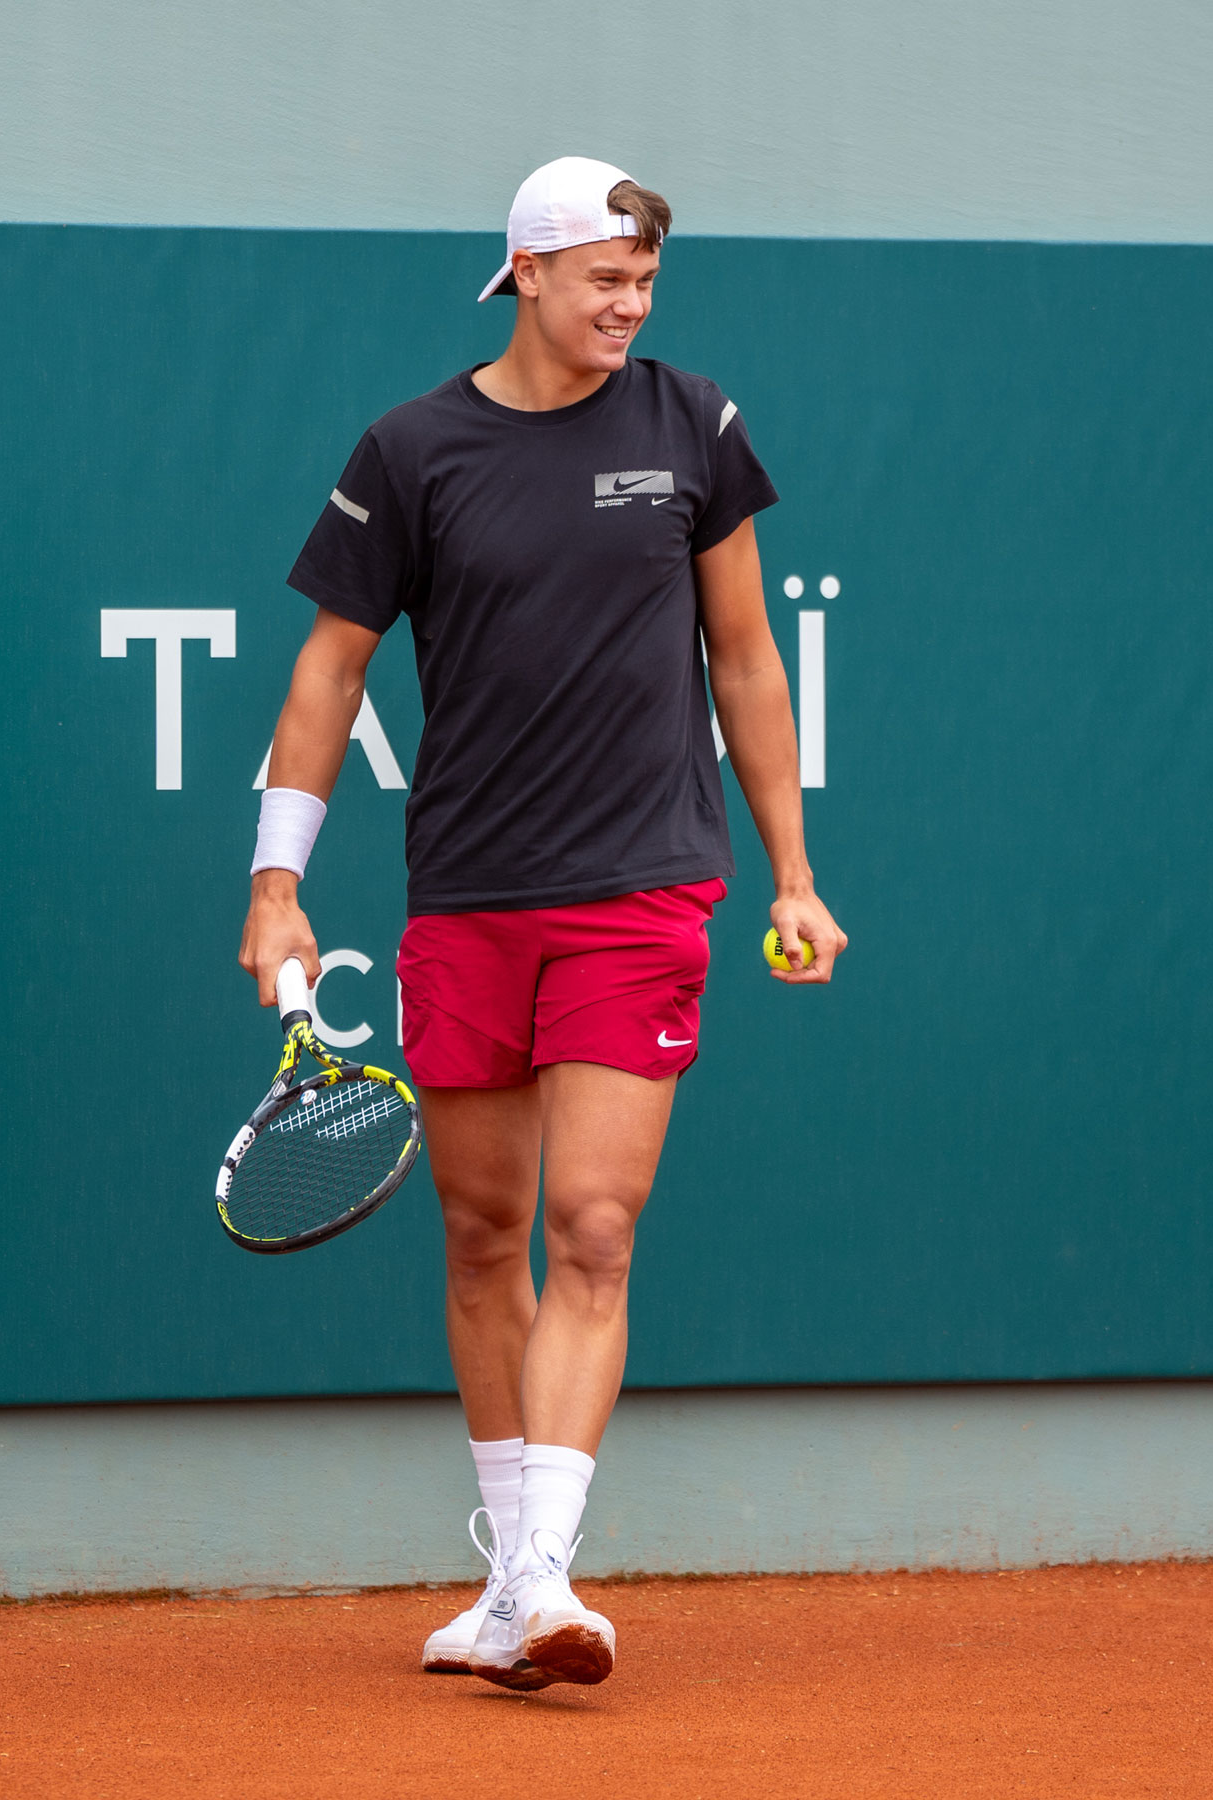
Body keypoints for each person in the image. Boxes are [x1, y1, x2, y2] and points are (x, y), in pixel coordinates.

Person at [239, 156, 846, 1690]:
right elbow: (328, 674)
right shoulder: (411, 450)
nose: (627, 309)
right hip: (469, 898)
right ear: (523, 275)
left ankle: (540, 1577)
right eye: (602, 282)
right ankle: (511, 1584)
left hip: (642, 889)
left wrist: (790, 870)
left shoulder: (689, 424)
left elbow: (747, 658)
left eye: (645, 286)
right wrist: (274, 881)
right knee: (482, 1233)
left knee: (589, 1226)